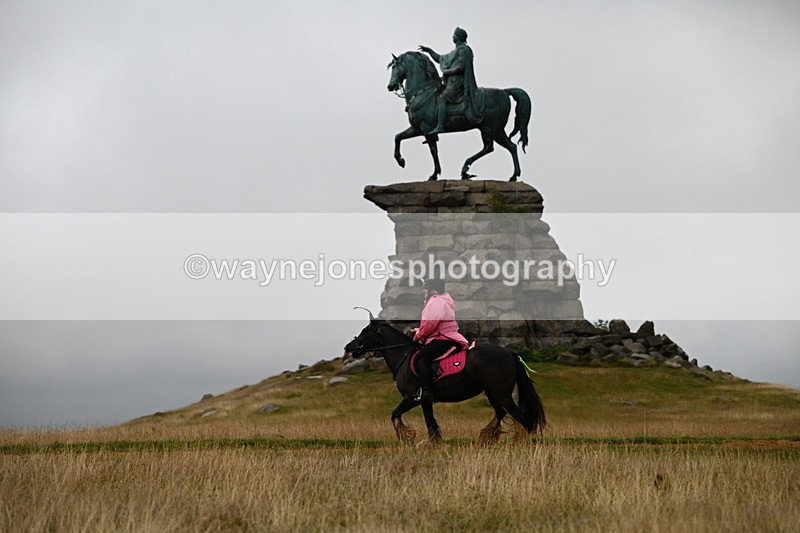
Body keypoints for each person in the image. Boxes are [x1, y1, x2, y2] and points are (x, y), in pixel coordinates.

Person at [408, 278, 468, 402]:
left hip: (443, 337)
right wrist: (419, 330)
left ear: (432, 291)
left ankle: (428, 392)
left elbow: (430, 324)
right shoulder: (443, 300)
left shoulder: (435, 302)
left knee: (420, 359)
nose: (424, 292)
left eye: (426, 290)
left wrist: (417, 336)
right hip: (445, 335)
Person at [418, 27, 485, 134]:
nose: (452, 36)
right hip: (451, 83)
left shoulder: (464, 50)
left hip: (458, 83)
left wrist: (448, 72)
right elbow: (440, 59)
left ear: (458, 37)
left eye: (454, 34)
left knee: (442, 98)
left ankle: (440, 126)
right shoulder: (454, 52)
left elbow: (461, 67)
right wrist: (429, 51)